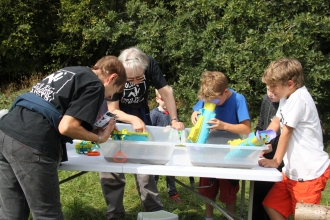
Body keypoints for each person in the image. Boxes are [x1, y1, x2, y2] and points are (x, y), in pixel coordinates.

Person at [0, 56, 127, 219]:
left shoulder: (72, 71)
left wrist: (90, 127)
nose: (109, 97)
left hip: (5, 130)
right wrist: (99, 138)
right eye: (113, 92)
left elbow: (54, 107)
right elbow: (67, 127)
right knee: (47, 213)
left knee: (11, 212)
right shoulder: (95, 85)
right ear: (112, 78)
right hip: (31, 142)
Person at [100, 47, 185, 220]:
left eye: (140, 78)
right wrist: (131, 119)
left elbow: (166, 93)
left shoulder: (150, 63)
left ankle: (155, 212)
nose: (137, 82)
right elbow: (113, 110)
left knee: (145, 167)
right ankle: (114, 215)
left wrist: (174, 119)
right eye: (131, 79)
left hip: (141, 116)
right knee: (112, 169)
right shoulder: (115, 72)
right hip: (116, 122)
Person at [259, 58, 330, 220]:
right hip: (292, 171)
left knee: (305, 216)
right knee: (272, 205)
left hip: (308, 173)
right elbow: (276, 122)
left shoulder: (299, 99)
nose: (269, 89)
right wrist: (259, 143)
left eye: (273, 86)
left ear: (290, 84)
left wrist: (276, 161)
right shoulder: (286, 98)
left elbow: (286, 133)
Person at [190, 71, 251, 220]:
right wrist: (194, 114)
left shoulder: (238, 99)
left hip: (230, 155)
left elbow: (246, 129)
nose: (211, 103)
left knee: (228, 192)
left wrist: (224, 126)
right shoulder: (209, 96)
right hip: (208, 152)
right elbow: (197, 110)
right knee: (207, 190)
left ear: (225, 91)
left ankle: (230, 217)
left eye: (215, 101)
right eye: (207, 100)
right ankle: (208, 217)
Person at [252, 87, 284, 220]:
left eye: (274, 90)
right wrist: (256, 143)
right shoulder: (266, 100)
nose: (270, 94)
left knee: (272, 199)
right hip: (264, 156)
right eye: (267, 89)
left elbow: (286, 134)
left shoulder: (289, 103)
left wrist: (274, 147)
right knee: (258, 195)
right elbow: (262, 126)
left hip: (280, 159)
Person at [150, 87, 182, 204]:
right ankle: (152, 194)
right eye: (163, 99)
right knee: (155, 174)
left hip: (170, 149)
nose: (166, 102)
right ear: (157, 99)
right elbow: (150, 131)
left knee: (171, 173)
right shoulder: (154, 114)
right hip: (157, 150)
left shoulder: (173, 113)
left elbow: (177, 126)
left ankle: (173, 193)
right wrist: (163, 131)